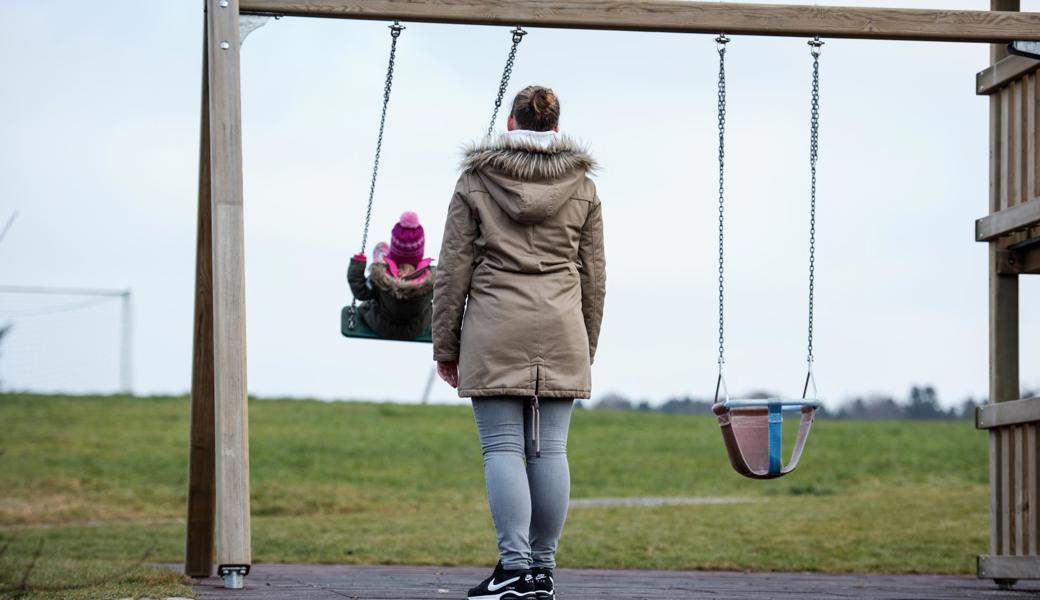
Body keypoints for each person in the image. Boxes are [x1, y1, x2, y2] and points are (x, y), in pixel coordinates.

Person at [433, 86, 606, 600]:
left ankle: (512, 568)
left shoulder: (476, 180)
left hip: (494, 325)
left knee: (503, 448)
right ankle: (542, 571)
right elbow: (593, 276)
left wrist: (446, 345)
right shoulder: (584, 188)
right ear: (556, 130)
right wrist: (585, 344)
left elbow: (452, 271)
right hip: (562, 326)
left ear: (509, 123)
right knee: (551, 448)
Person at [347, 211, 435, 340]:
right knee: (430, 305)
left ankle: (386, 263)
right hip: (416, 328)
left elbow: (361, 292)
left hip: (382, 325)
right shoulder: (432, 281)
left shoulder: (381, 279)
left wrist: (357, 265)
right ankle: (410, 270)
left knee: (373, 297)